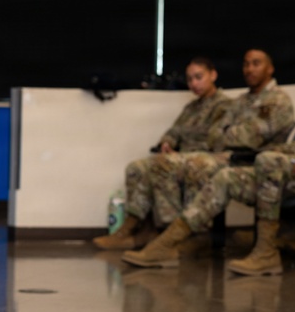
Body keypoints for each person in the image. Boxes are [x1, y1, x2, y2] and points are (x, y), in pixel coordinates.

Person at [124, 53, 295, 275]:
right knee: (229, 177)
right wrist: (283, 151)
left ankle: (266, 252)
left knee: (268, 160)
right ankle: (168, 243)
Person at [121, 48, 295, 269]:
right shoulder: (241, 101)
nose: (249, 68)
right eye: (246, 64)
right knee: (158, 163)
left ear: (270, 68)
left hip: (255, 162)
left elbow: (250, 138)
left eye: (256, 63)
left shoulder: (278, 100)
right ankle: (166, 236)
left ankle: (186, 238)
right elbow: (214, 135)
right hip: (227, 156)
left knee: (194, 164)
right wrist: (226, 136)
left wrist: (227, 135)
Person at [93, 57, 231, 250]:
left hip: (206, 159)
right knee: (137, 167)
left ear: (213, 75)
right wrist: (167, 143)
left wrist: (178, 154)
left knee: (163, 164)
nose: (194, 83)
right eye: (190, 79)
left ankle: (171, 234)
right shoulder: (191, 108)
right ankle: (137, 228)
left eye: (199, 77)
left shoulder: (225, 106)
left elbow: (217, 140)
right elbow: (174, 131)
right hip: (183, 158)